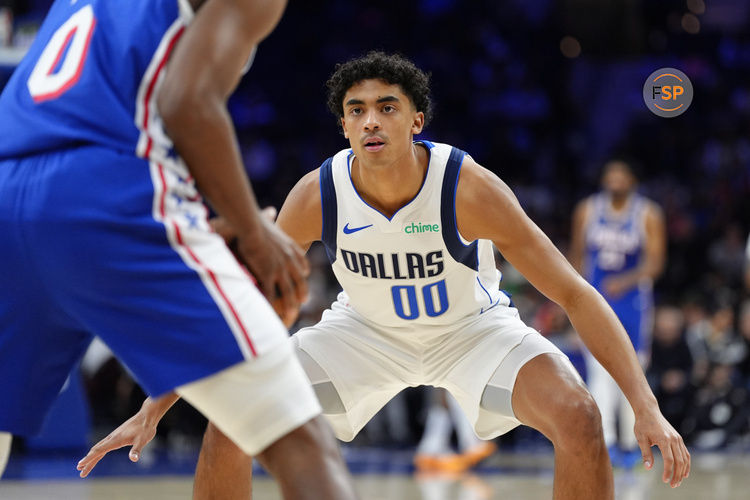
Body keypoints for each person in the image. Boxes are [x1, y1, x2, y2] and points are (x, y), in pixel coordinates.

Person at [82, 51, 690, 499]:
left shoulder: (468, 188)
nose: (371, 120)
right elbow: (233, 306)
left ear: (415, 121)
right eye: (357, 111)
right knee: (233, 415)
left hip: (473, 330)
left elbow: (575, 293)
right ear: (343, 128)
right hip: (362, 335)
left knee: (579, 415)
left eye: (386, 107)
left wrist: (645, 405)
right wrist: (156, 404)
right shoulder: (317, 194)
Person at [0, 1, 358, 498]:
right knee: (300, 439)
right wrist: (251, 232)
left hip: (9, 189)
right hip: (109, 190)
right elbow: (187, 103)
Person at [570, 159, 667, 467]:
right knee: (598, 372)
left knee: (634, 372)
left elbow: (655, 263)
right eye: (609, 175)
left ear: (632, 180)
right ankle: (607, 443)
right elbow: (577, 257)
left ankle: (632, 444)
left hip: (633, 303)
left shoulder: (647, 213)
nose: (614, 180)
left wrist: (624, 281)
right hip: (596, 300)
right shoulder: (587, 210)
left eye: (620, 176)